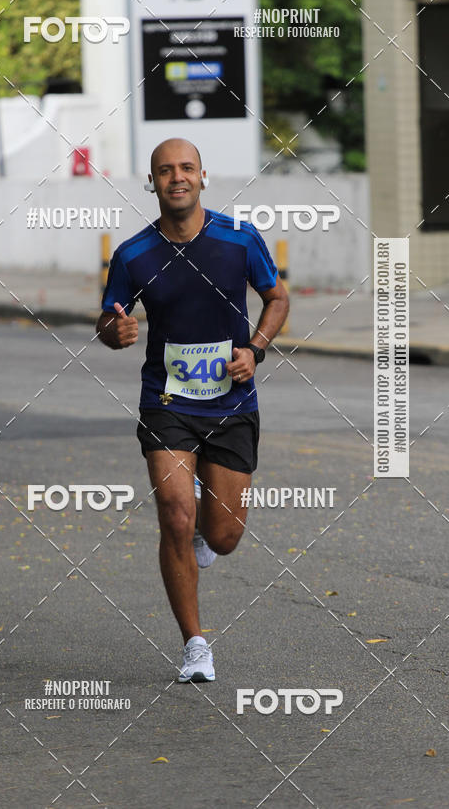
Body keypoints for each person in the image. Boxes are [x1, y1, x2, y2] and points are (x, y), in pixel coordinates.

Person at [96, 138, 288, 682]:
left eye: (186, 168)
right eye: (164, 170)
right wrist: (116, 331)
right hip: (167, 403)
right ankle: (195, 644)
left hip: (231, 402)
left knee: (223, 538)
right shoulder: (134, 254)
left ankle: (208, 522)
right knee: (174, 515)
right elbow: (108, 319)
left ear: (203, 176)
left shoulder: (238, 239)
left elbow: (277, 298)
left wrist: (254, 349)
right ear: (152, 182)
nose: (175, 177)